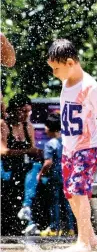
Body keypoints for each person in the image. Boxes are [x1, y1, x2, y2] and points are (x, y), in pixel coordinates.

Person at [47, 39, 97, 252]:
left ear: (69, 63)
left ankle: (83, 242)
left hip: (87, 148)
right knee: (70, 193)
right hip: (69, 148)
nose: (54, 73)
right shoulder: (66, 83)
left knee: (78, 190)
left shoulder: (90, 86)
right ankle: (91, 237)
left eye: (56, 69)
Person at [0, 94, 43, 236]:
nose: (26, 114)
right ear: (13, 109)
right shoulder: (3, 124)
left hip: (22, 168)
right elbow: (3, 151)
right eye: (23, 111)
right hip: (5, 169)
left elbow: (33, 150)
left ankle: (25, 210)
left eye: (28, 111)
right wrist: (27, 150)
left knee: (36, 167)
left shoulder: (28, 127)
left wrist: (39, 153)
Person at [37, 112, 76, 237]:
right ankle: (70, 228)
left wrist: (40, 173)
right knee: (67, 202)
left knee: (54, 202)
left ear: (48, 128)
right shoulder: (66, 142)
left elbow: (48, 162)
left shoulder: (49, 144)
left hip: (55, 177)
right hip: (67, 176)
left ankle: (54, 228)